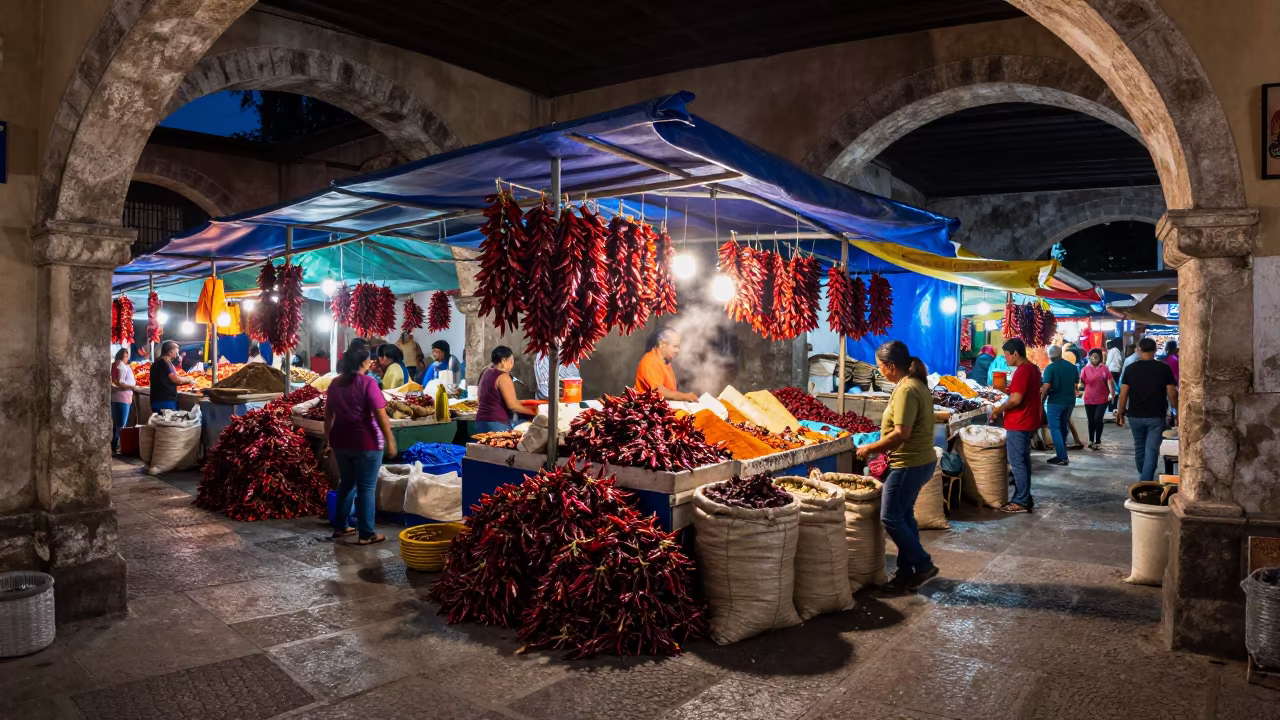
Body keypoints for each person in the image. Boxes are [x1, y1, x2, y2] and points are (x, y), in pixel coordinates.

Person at [854, 341, 939, 593]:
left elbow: (901, 434)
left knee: (890, 517)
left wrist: (871, 448)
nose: (879, 370)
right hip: (918, 461)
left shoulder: (907, 389)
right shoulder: (912, 384)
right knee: (903, 516)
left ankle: (922, 564)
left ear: (891, 366)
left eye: (880, 366)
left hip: (908, 464)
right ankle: (905, 573)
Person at [324, 346, 395, 545]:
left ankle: (341, 527)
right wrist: (390, 440)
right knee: (366, 487)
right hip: (366, 442)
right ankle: (367, 533)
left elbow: (328, 415)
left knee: (346, 483)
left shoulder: (335, 383)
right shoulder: (367, 383)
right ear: (364, 362)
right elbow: (381, 415)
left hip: (341, 441)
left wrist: (328, 439)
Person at [990, 338, 1042, 513]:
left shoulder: (1022, 371)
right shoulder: (1033, 369)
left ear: (1015, 354)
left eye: (1006, 355)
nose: (1005, 359)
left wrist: (998, 409)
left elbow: (1016, 400)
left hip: (1019, 422)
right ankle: (1025, 496)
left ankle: (1021, 500)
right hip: (1028, 421)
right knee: (1024, 462)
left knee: (1017, 463)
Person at [1116, 337, 1178, 482]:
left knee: (1139, 448)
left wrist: (1120, 411)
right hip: (1156, 416)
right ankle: (1145, 482)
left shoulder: (1130, 369)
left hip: (1135, 416)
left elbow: (1123, 393)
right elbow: (1172, 393)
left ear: (1139, 350)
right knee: (1151, 450)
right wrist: (1176, 411)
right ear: (1155, 350)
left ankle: (1143, 477)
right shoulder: (1164, 368)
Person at [1040, 344, 1081, 466]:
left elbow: (1046, 386)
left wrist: (1041, 399)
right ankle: (1061, 454)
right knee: (1063, 427)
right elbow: (1076, 383)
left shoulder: (1050, 368)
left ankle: (1062, 457)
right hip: (1070, 402)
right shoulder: (1072, 367)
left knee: (1055, 429)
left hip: (1055, 402)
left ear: (1050, 356)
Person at [635, 327, 698, 402]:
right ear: (662, 344)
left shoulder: (665, 362)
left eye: (678, 347)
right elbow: (659, 392)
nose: (677, 351)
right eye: (675, 346)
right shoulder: (651, 360)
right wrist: (686, 397)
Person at [476, 346, 531, 433]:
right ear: (504, 361)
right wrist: (535, 412)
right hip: (496, 423)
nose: (512, 364)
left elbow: (479, 397)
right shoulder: (503, 376)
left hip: (481, 421)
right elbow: (512, 405)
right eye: (511, 360)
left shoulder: (486, 371)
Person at [1080, 348, 1117, 450]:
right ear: (1089, 357)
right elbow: (1081, 383)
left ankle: (1098, 440)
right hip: (1089, 399)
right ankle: (1091, 440)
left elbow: (1110, 383)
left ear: (1100, 357)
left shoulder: (1104, 369)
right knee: (1091, 420)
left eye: (1097, 356)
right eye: (1093, 356)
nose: (1095, 358)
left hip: (1102, 399)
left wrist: (1112, 395)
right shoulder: (1085, 369)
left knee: (1098, 419)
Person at [150, 340, 196, 411]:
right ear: (170, 352)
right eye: (176, 352)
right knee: (168, 421)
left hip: (155, 400)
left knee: (158, 421)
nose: (177, 354)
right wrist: (189, 379)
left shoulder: (155, 363)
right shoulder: (166, 363)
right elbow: (176, 380)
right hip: (165, 401)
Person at [110, 348, 136, 453]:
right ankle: (119, 446)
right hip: (123, 398)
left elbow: (115, 382)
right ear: (122, 356)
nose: (127, 358)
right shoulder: (122, 366)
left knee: (116, 423)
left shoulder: (114, 364)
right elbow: (120, 382)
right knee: (121, 424)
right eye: (126, 356)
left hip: (115, 397)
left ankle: (114, 445)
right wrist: (134, 387)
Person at [1105, 338, 1124, 412]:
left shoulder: (1113, 350)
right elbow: (1119, 361)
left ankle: (1112, 407)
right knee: (1114, 390)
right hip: (1115, 372)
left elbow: (1108, 362)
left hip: (1112, 371)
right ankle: (1113, 407)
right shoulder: (1116, 350)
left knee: (1112, 390)